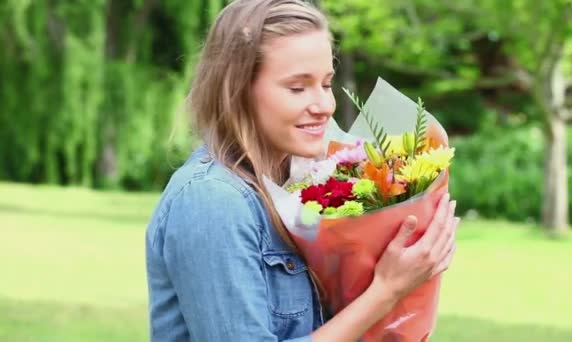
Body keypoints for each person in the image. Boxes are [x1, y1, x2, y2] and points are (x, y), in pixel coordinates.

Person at [145, 0, 459, 341]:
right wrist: (386, 291)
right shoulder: (212, 201)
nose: (324, 106)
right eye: (298, 87)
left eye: (326, 84)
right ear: (237, 90)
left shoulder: (305, 186)